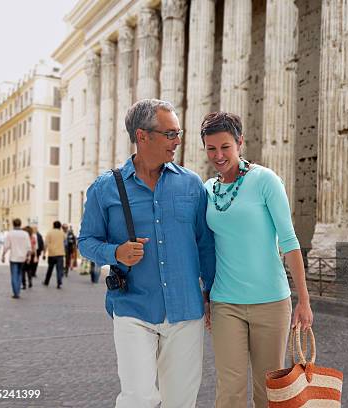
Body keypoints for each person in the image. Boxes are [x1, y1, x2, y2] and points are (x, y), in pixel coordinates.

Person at [78, 99, 215, 408]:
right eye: (170, 134)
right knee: (138, 397)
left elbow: (205, 245)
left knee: (180, 400)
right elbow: (86, 241)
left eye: (178, 133)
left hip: (185, 309)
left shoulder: (192, 184)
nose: (178, 141)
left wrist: (212, 294)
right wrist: (116, 252)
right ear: (143, 136)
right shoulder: (105, 188)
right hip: (132, 308)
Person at [200, 112, 313, 408]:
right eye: (211, 148)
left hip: (271, 303)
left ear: (239, 142)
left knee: (268, 391)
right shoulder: (207, 191)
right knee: (229, 390)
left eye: (225, 146)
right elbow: (205, 246)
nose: (219, 155)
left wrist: (303, 300)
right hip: (225, 303)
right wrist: (206, 292)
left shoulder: (266, 180)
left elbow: (289, 241)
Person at [1, 218, 32, 299]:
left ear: (13, 224)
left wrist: (3, 255)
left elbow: (6, 246)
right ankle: (18, 290)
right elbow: (29, 247)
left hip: (14, 257)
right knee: (20, 274)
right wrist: (28, 256)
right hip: (22, 257)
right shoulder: (25, 234)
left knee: (14, 275)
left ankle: (16, 292)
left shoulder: (10, 233)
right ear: (20, 224)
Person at [43, 221, 66, 289]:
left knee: (50, 269)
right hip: (60, 254)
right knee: (59, 269)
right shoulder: (62, 233)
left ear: (53, 226)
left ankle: (46, 281)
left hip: (52, 254)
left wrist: (44, 254)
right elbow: (65, 240)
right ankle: (59, 283)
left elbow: (45, 244)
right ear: (59, 226)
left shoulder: (49, 232)